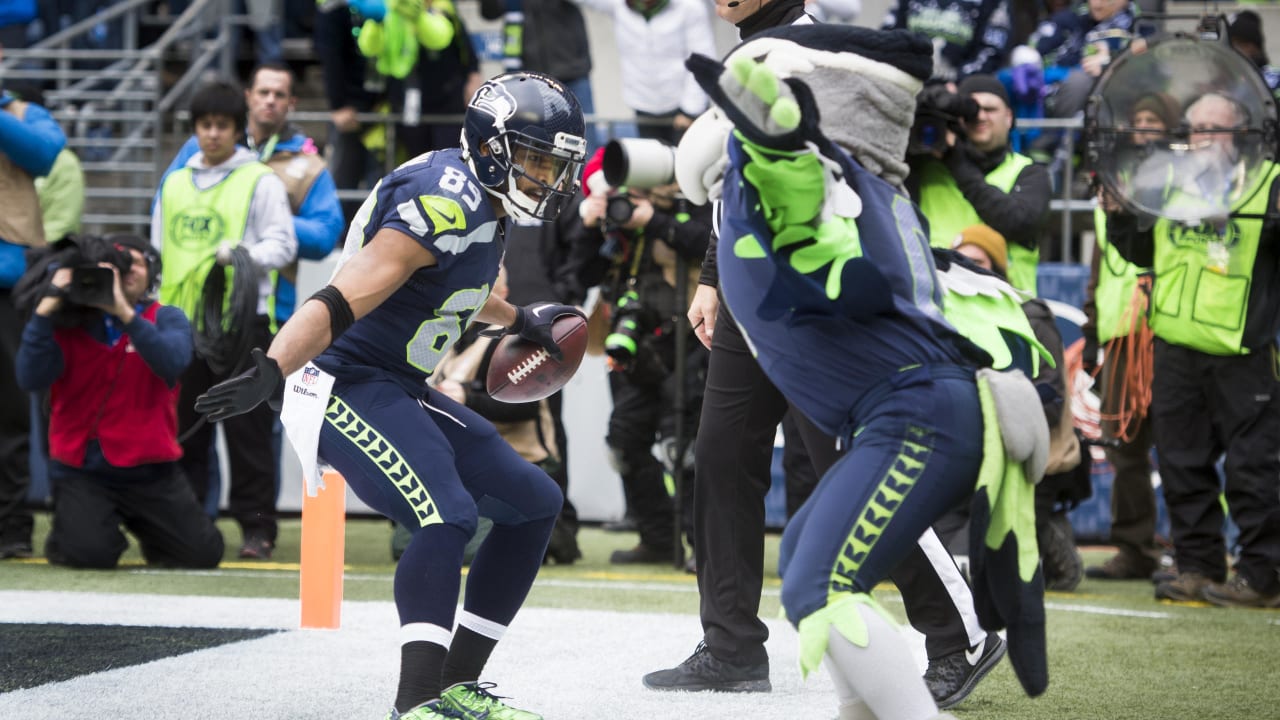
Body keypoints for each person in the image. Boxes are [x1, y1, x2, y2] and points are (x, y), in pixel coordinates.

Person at [193, 71, 589, 720]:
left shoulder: (485, 203)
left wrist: (518, 320)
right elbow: (348, 292)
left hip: (393, 384)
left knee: (534, 502)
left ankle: (459, 684)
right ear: (494, 146)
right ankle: (415, 704)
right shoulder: (446, 196)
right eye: (540, 159)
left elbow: (449, 285)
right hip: (339, 381)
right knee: (447, 515)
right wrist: (273, 366)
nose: (550, 177)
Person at [679, 24, 1048, 719]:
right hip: (890, 393)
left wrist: (776, 140)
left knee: (818, 574)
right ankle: (750, 653)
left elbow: (793, 187)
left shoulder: (816, 183)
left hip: (905, 409)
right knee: (801, 556)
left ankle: (953, 641)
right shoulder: (857, 191)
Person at [1106, 93, 1280, 609]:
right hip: (1176, 347)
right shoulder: (1170, 185)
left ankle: (1263, 575)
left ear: (1243, 134)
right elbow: (1142, 251)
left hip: (1243, 350)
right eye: (1196, 126)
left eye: (1215, 127)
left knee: (1254, 470)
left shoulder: (1270, 184)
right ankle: (1198, 566)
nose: (1202, 136)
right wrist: (1118, 217)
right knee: (1182, 465)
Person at [14, 234, 224, 569]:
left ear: (152, 273)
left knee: (202, 554)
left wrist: (124, 313)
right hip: (83, 469)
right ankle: (79, 530)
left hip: (152, 470)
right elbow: (30, 378)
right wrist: (46, 308)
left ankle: (141, 529)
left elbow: (171, 362)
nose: (126, 269)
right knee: (89, 554)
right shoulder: (69, 323)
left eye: (135, 262)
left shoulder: (167, 317)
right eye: (117, 262)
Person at [151, 79, 297, 560]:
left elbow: (283, 245)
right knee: (186, 433)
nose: (213, 134)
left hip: (242, 328)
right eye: (205, 125)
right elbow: (157, 251)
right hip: (180, 327)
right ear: (194, 129)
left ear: (237, 130)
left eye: (222, 126)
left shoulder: (260, 180)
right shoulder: (172, 184)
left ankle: (257, 530)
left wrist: (237, 256)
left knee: (247, 434)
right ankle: (190, 522)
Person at [574, 150, 711, 565]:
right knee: (624, 443)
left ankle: (702, 549)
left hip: (686, 342)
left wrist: (654, 221)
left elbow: (710, 246)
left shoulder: (696, 204)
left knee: (684, 449)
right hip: (631, 343)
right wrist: (590, 227)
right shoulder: (616, 216)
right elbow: (581, 276)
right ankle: (656, 538)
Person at [951, 224, 1087, 592]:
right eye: (960, 260)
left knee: (998, 573)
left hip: (1025, 448)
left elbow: (1052, 394)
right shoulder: (946, 312)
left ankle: (1050, 534)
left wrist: (995, 422)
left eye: (977, 261)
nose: (966, 267)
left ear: (996, 266)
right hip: (964, 442)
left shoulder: (1031, 316)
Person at [160, 63, 345, 325]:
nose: (270, 100)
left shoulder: (309, 165)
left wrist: (262, 218)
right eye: (263, 92)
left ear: (292, 102)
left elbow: (325, 236)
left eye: (279, 95)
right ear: (248, 97)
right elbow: (164, 206)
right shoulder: (203, 145)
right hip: (189, 302)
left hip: (266, 308)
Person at [1081, 95, 1172, 581]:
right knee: (1123, 446)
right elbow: (1099, 273)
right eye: (1137, 120)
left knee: (1182, 446)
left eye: (1152, 119)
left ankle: (1193, 552)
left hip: (1171, 333)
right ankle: (1135, 549)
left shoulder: (1182, 186)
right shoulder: (1110, 191)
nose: (1142, 128)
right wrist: (1092, 333)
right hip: (1121, 336)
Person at [0, 70, 66, 560]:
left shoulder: (24, 112)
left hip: (9, 287)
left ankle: (11, 527)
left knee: (9, 414)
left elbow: (45, 154)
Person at [908, 73, 1051, 294]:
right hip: (941, 308)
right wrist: (923, 100)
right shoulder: (926, 168)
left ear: (1009, 117)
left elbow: (1017, 222)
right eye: (971, 110)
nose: (981, 117)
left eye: (990, 109)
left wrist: (955, 158)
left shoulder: (1030, 173)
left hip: (1009, 311)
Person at [570, 0, 715, 145]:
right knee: (653, 165)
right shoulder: (619, 5)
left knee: (687, 163)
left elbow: (702, 61)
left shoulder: (690, 7)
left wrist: (691, 111)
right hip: (644, 108)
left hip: (683, 111)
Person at [880, 0, 1012, 83]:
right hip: (906, 83)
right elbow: (888, 38)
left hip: (959, 93)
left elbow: (991, 51)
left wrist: (957, 81)